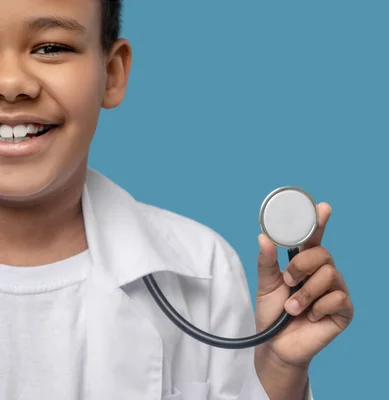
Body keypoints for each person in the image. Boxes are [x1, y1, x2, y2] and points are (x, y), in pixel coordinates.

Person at [0, 0, 354, 399]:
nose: (12, 84)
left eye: (50, 48)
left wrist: (276, 372)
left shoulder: (203, 269)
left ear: (112, 73)